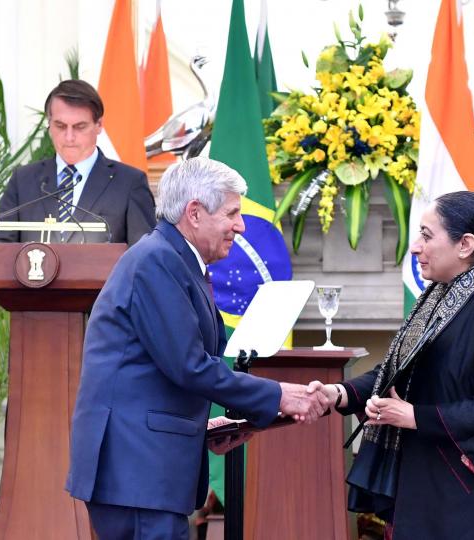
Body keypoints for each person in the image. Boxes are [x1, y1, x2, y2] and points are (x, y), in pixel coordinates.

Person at [66, 157, 329, 539]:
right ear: (194, 213)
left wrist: (213, 426)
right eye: (232, 213)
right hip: (137, 471)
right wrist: (278, 395)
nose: (241, 225)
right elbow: (189, 365)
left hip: (145, 470)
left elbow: (160, 370)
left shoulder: (175, 260)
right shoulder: (157, 261)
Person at [313, 192, 474, 539]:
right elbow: (402, 370)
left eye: (427, 236)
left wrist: (415, 416)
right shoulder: (443, 296)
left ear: (465, 245)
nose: (415, 247)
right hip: (441, 482)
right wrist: (339, 393)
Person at [0, 79, 155, 245]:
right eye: (60, 126)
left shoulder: (129, 183)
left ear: (99, 125)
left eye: (80, 127)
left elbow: (144, 254)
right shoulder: (23, 180)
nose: (69, 137)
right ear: (49, 125)